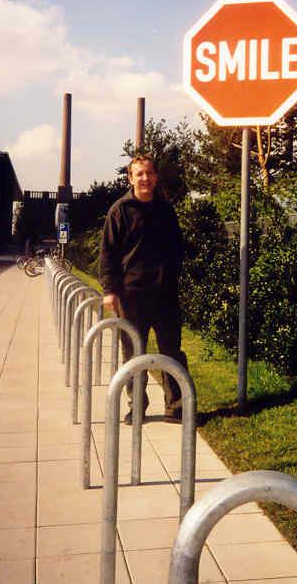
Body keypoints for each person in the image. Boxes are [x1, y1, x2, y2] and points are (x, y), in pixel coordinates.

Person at [98, 154, 187, 424]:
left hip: (165, 295)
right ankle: (137, 407)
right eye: (139, 174)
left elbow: (177, 249)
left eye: (149, 173)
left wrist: (173, 277)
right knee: (134, 355)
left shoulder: (165, 210)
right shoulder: (120, 211)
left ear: (156, 177)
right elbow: (108, 253)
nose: (145, 178)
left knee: (171, 352)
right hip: (131, 295)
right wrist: (109, 290)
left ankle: (177, 407)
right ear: (130, 178)